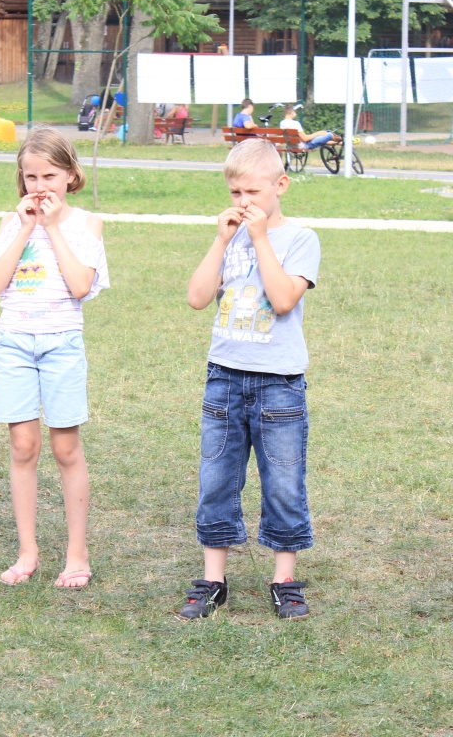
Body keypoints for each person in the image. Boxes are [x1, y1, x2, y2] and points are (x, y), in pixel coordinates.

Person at [180, 138, 320, 621]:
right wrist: (221, 240)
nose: (243, 203)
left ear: (281, 186)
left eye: (253, 192)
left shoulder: (300, 238)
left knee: (283, 480)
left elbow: (282, 300)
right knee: (216, 478)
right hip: (224, 377)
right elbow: (197, 297)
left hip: (278, 382)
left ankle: (284, 580)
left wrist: (259, 239)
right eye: (236, 193)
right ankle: (213, 580)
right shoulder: (231, 238)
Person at [0, 127, 109, 589]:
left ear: (71, 176)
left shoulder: (87, 224)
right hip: (14, 343)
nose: (39, 186)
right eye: (31, 176)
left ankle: (77, 553)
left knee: (65, 448)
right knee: (23, 447)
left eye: (50, 176)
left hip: (61, 345)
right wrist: (25, 228)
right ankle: (28, 551)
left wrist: (52, 227)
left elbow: (80, 286)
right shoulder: (11, 222)